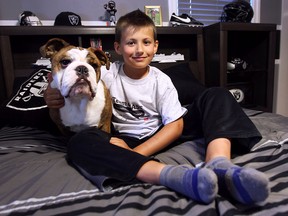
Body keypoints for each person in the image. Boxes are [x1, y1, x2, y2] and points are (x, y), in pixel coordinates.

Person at [44, 9, 270, 205]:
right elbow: (64, 76)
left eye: (146, 42)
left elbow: (175, 126)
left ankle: (219, 164)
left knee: (217, 94)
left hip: (162, 133)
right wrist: (50, 91)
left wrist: (135, 154)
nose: (139, 49)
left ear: (155, 47)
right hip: (123, 137)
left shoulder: (161, 81)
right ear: (118, 47)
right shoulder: (107, 73)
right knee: (79, 142)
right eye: (131, 43)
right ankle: (173, 176)